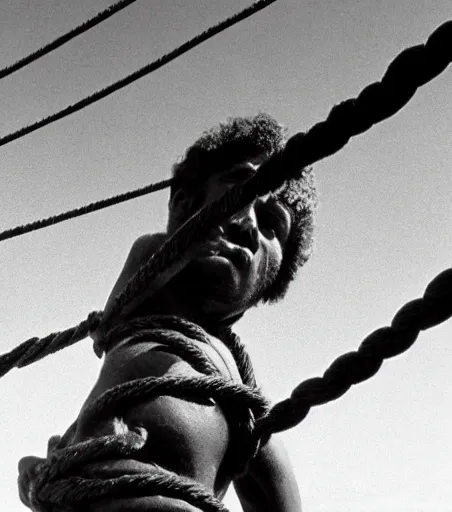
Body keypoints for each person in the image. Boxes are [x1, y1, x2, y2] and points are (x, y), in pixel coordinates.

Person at [18, 113, 318, 511]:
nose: (248, 224)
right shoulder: (149, 275)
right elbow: (118, 308)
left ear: (272, 280)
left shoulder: (242, 395)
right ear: (183, 202)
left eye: (272, 225)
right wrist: (187, 243)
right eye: (240, 191)